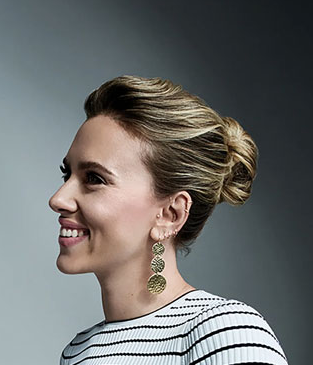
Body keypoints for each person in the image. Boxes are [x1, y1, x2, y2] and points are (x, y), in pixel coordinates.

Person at [49, 76, 287, 364]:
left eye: (94, 179)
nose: (58, 199)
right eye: (67, 174)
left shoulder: (227, 332)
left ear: (170, 214)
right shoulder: (77, 352)